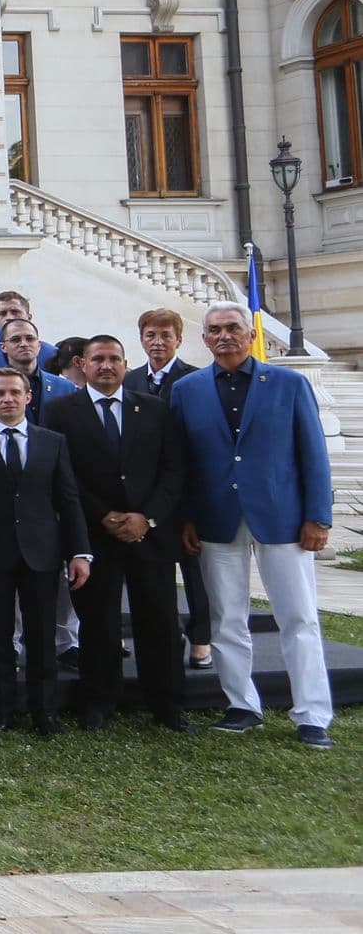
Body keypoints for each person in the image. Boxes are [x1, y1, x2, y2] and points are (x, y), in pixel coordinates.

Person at [169, 301, 336, 749]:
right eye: (215, 329)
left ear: (250, 334)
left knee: (299, 618)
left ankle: (312, 714)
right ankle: (242, 705)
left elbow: (313, 453)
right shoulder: (186, 390)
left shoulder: (288, 383)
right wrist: (185, 515)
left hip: (283, 518)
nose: (224, 335)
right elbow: (181, 461)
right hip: (215, 519)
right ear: (203, 338)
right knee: (226, 619)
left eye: (233, 328)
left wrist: (318, 516)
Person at [42, 334, 192, 732]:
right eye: (98, 359)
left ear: (126, 365)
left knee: (159, 619)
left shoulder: (156, 410)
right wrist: (101, 514)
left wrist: (147, 517)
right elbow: (62, 472)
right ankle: (98, 701)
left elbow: (173, 471)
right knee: (99, 622)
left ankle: (166, 703)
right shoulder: (60, 411)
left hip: (150, 534)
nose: (106, 366)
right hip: (94, 534)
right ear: (83, 365)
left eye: (114, 359)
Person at [0, 369, 92, 735]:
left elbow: (69, 499)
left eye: (15, 392)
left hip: (43, 552)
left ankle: (44, 711)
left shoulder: (52, 442)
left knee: (42, 636)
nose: (7, 398)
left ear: (29, 397)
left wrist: (80, 551)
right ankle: (1, 710)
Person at [126, 307, 212, 670]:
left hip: (187, 489)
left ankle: (202, 637)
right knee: (153, 575)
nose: (157, 342)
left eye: (165, 336)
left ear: (179, 340)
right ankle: (165, 633)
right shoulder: (128, 379)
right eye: (151, 335)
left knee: (195, 572)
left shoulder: (196, 379)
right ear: (142, 339)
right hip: (146, 494)